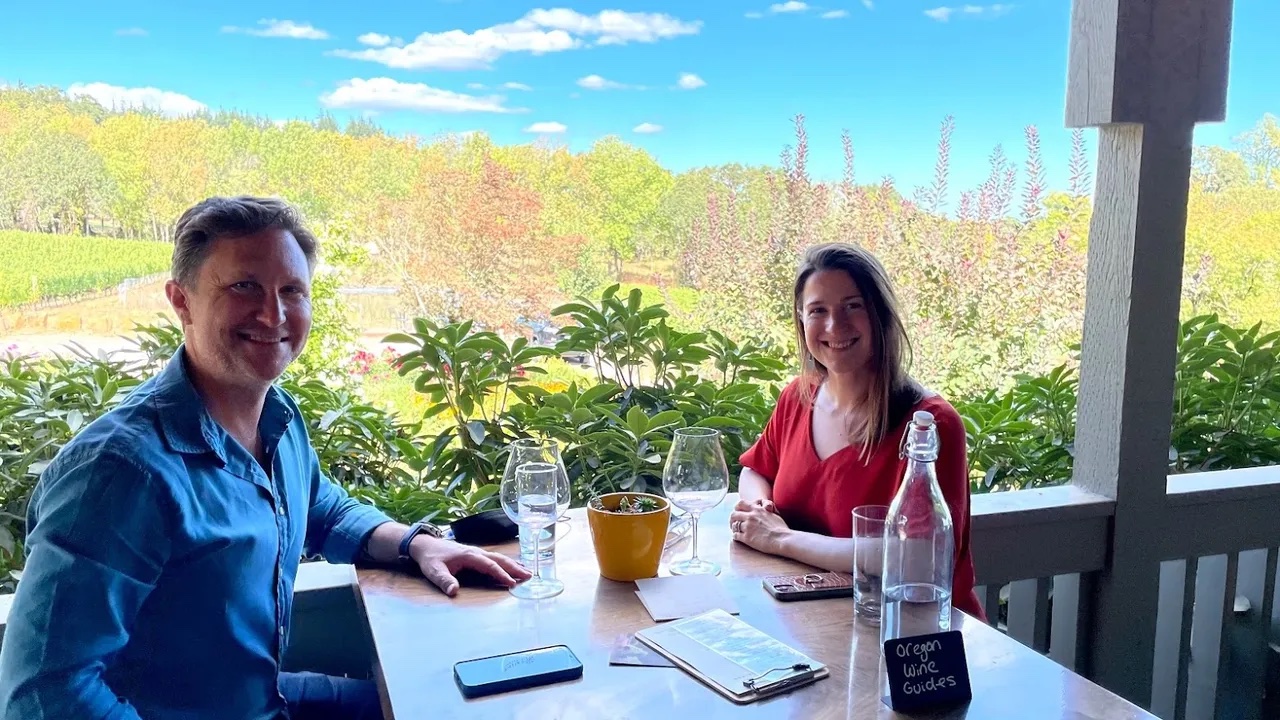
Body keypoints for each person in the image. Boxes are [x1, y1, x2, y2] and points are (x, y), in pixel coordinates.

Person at [0, 196, 532, 720]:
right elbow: (44, 696)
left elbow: (321, 508)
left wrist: (417, 544)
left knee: (453, 706)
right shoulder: (120, 472)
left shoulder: (277, 417)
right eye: (244, 286)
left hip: (265, 697)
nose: (272, 313)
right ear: (181, 300)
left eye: (291, 291)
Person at [728, 242, 985, 620]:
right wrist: (760, 509)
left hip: (914, 634)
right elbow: (756, 470)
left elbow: (917, 557)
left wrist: (780, 538)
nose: (835, 326)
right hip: (819, 622)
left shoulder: (929, 424)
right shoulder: (798, 398)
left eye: (853, 306)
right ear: (801, 320)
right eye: (818, 310)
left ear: (880, 314)